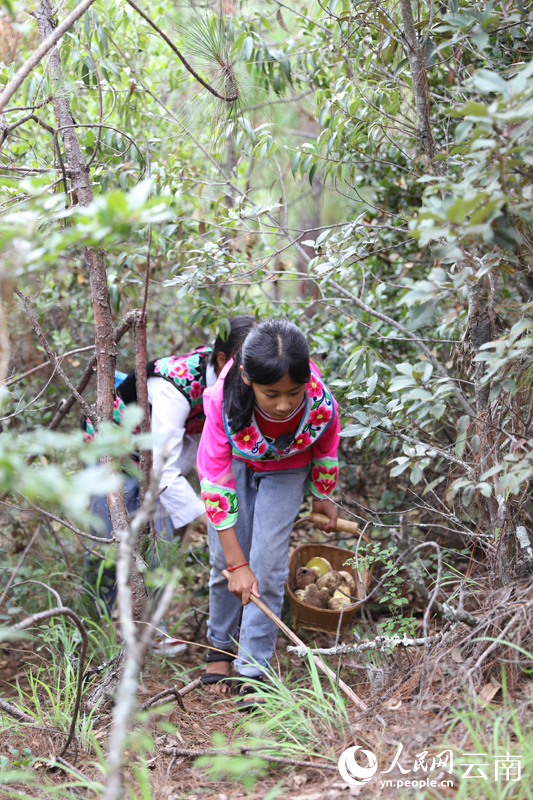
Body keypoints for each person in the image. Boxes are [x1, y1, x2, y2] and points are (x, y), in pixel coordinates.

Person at [84, 314, 256, 653]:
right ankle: (89, 629)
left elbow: (194, 450)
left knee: (162, 544)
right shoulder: (174, 386)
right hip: (112, 453)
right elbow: (163, 467)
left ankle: (151, 627)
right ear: (223, 359)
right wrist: (208, 515)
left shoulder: (229, 383)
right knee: (106, 544)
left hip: (157, 462)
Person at [197, 318, 339, 707]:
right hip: (237, 466)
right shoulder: (221, 403)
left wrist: (323, 493)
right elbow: (215, 484)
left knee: (269, 565)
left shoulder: (319, 404)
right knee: (224, 563)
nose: (283, 403)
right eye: (271, 393)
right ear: (246, 378)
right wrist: (235, 563)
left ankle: (252, 667)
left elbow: (326, 444)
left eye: (293, 392)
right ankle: (221, 647)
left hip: (287, 468)